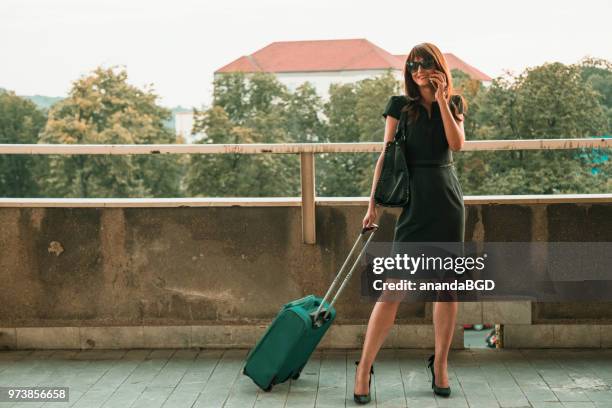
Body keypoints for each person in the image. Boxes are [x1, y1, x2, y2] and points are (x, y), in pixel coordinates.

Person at [353, 42, 467, 404]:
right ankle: (363, 368)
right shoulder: (399, 107)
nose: (418, 70)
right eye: (413, 64)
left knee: (446, 290)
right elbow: (386, 159)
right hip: (413, 206)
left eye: (426, 64)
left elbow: (456, 145)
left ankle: (441, 366)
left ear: (438, 67)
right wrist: (372, 206)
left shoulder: (456, 104)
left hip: (447, 204)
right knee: (392, 291)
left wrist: (444, 99)